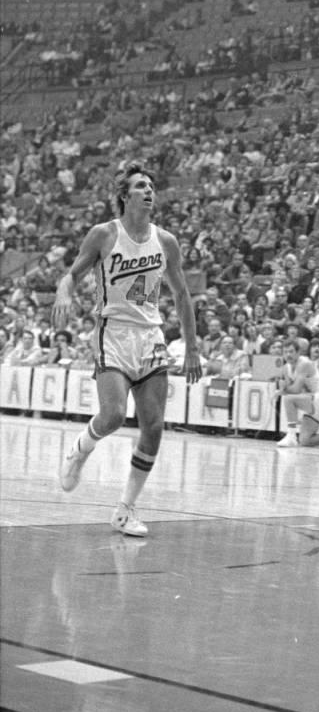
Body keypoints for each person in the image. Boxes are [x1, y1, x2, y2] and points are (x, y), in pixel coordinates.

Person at [53, 162, 201, 536]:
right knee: (114, 415)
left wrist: (192, 347)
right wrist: (64, 293)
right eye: (140, 185)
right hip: (113, 332)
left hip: (150, 336)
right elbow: (71, 275)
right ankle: (81, 448)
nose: (149, 190)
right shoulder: (104, 234)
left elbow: (182, 295)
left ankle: (125, 509)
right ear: (124, 195)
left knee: (154, 427)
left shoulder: (165, 241)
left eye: (151, 185)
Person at [274, 336, 319, 448]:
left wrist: (282, 390)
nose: (288, 355)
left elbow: (295, 390)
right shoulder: (286, 368)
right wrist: (282, 387)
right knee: (305, 440)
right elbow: (289, 389)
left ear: (298, 352)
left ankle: (291, 436)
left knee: (288, 399)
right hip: (310, 400)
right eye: (285, 352)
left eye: (291, 351)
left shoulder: (304, 364)